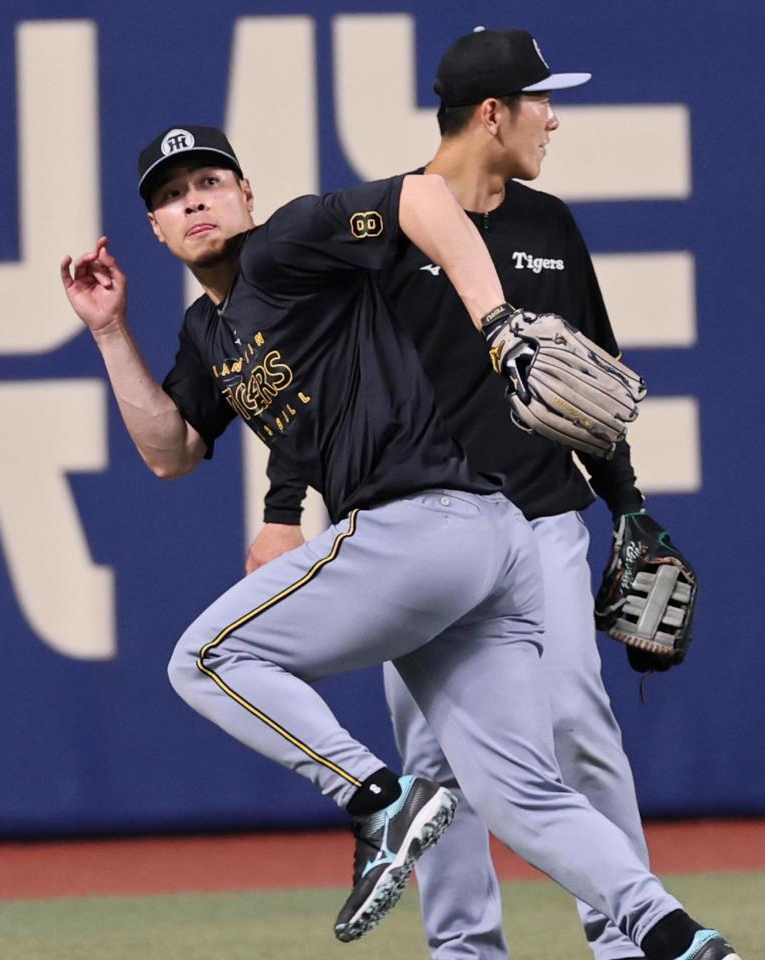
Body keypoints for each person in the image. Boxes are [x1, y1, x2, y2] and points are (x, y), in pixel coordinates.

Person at [60, 124, 738, 960]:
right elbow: (171, 451)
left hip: (422, 525)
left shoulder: (287, 243)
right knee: (520, 791)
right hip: (481, 547)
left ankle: (380, 797)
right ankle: (681, 939)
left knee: (204, 660)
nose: (192, 199)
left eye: (208, 181)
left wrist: (497, 321)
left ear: (246, 195)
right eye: (169, 195)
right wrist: (107, 330)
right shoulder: (211, 332)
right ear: (157, 230)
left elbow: (419, 196)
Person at [246, 26, 704, 960]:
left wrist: (627, 506)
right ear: (491, 114)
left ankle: (623, 934)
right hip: (421, 531)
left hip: (540, 519)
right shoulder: (383, 233)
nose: (553, 118)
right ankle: (466, 948)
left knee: (578, 720)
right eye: (541, 100)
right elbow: (312, 387)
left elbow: (592, 380)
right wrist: (284, 507)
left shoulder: (549, 226)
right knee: (432, 760)